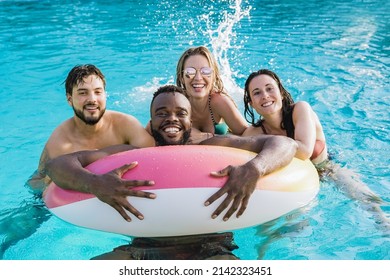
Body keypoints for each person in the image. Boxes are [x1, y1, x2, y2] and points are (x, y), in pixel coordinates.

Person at [45, 85, 298, 260]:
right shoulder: (133, 155)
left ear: (190, 120)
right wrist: (94, 184)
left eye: (181, 113)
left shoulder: (212, 146)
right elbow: (59, 165)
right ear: (151, 121)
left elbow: (285, 144)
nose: (172, 119)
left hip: (211, 249)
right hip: (143, 250)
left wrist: (254, 168)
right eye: (162, 113)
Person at [242, 69, 388, 226]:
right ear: (251, 103)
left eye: (269, 88)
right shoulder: (253, 132)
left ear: (281, 92)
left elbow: (304, 151)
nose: (265, 95)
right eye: (256, 93)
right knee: (291, 229)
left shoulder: (300, 110)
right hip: (295, 181)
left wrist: (267, 144)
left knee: (369, 203)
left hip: (328, 170)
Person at [27, 64, 155, 192]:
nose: (92, 99)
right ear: (69, 99)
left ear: (105, 95)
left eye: (98, 92)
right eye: (83, 93)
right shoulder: (62, 144)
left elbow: (154, 155)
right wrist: (126, 150)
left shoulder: (126, 124)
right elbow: (52, 185)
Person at [175, 46, 248, 135]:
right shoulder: (175, 104)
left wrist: (204, 137)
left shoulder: (220, 102)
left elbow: (248, 135)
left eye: (206, 71)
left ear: (214, 76)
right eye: (190, 72)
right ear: (181, 77)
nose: (198, 78)